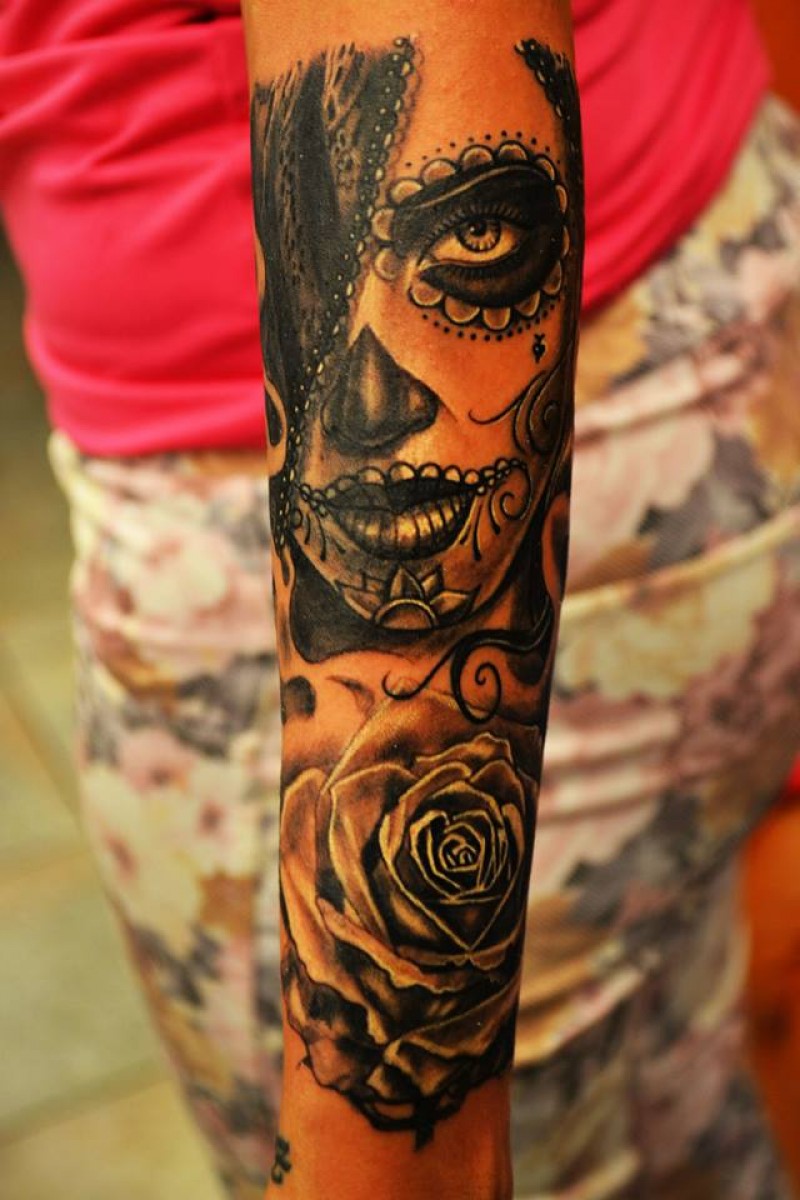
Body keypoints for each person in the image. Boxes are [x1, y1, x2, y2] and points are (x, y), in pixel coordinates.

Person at [2, 0, 800, 1196]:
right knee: (666, 1086)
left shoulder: (376, 433)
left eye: (470, 241)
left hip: (355, 479)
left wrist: (392, 1141)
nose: (378, 395)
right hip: (702, 272)